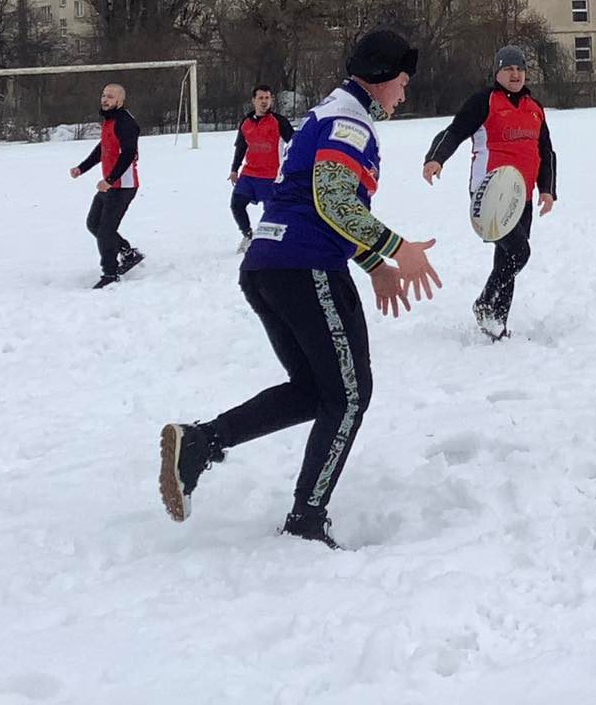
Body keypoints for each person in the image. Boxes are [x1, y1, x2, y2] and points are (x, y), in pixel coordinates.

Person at [158, 29, 441, 546]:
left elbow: (312, 201)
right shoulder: (349, 122)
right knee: (351, 397)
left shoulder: (329, 111)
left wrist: (375, 263)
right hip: (304, 266)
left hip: (269, 265)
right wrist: (398, 249)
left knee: (316, 391)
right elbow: (333, 201)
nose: (404, 93)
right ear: (379, 79)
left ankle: (201, 443)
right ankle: (307, 520)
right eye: (401, 82)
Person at [421, 44, 557, 341]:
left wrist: (548, 190)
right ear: (497, 72)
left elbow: (545, 151)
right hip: (489, 194)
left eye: (520, 69)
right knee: (520, 253)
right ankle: (485, 303)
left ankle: (498, 325)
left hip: (522, 196)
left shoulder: (534, 108)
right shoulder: (484, 101)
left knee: (506, 259)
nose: (515, 74)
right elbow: (454, 131)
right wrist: (436, 158)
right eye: (508, 69)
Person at [69, 81, 144, 289]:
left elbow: (128, 154)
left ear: (120, 100)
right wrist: (81, 168)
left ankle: (110, 273)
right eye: (103, 95)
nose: (105, 99)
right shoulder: (109, 121)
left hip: (123, 186)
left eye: (110, 96)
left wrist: (110, 180)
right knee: (93, 223)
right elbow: (103, 149)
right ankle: (128, 253)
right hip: (109, 185)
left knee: (105, 230)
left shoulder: (126, 123)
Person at [229, 84, 296, 254]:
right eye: (261, 98)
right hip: (249, 174)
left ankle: (273, 243)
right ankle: (248, 235)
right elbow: (241, 148)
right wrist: (234, 169)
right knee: (236, 204)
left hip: (271, 176)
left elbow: (295, 144)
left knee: (272, 212)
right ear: (253, 101)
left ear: (271, 100)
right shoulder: (246, 122)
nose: (264, 101)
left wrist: (295, 167)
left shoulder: (279, 121)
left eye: (267, 98)